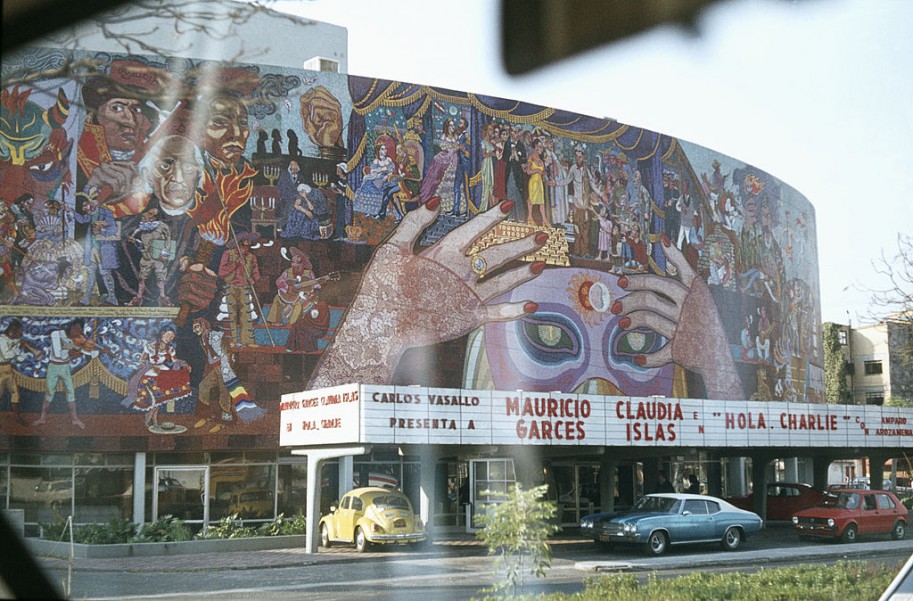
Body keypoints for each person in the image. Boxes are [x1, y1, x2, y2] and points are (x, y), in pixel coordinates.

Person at [191, 317, 265, 428]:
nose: (194, 330)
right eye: (193, 328)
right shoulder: (202, 338)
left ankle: (225, 422)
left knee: (224, 393)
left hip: (224, 367)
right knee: (203, 386)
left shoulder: (215, 336)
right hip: (215, 369)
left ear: (203, 325)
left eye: (196, 327)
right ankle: (205, 416)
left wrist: (226, 370)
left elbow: (226, 353)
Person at [121, 325, 192, 430]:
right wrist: (152, 366)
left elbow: (175, 361)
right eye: (168, 335)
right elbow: (142, 360)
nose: (169, 338)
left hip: (163, 372)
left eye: (172, 337)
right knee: (155, 398)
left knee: (159, 398)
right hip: (150, 372)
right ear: (162, 334)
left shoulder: (170, 349)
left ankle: (153, 419)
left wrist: (185, 364)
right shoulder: (150, 346)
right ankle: (150, 417)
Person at [33, 319, 99, 430]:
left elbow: (80, 350)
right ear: (70, 327)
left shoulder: (74, 339)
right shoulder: (56, 334)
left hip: (65, 367)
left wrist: (93, 353)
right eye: (76, 328)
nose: (79, 332)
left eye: (80, 330)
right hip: (53, 366)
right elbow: (60, 354)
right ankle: (42, 418)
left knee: (70, 392)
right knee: (49, 393)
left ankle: (74, 419)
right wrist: (76, 350)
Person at [217, 231, 261, 347]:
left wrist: (253, 279)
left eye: (248, 245)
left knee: (246, 314)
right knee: (231, 315)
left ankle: (246, 341)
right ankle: (232, 341)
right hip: (231, 287)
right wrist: (236, 264)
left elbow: (256, 272)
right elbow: (221, 272)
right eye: (243, 245)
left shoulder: (252, 257)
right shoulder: (228, 254)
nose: (245, 248)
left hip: (244, 287)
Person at [126, 208, 173, 307]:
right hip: (146, 256)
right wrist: (135, 242)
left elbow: (168, 240)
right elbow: (142, 245)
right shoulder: (143, 229)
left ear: (153, 217)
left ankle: (163, 297)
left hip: (159, 256)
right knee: (142, 277)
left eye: (149, 214)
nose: (145, 216)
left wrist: (165, 253)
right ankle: (138, 298)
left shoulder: (162, 227)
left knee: (160, 277)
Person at [0, 319, 42, 425]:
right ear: (13, 330)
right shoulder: (2, 339)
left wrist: (26, 351)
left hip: (8, 369)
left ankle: (17, 417)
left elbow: (18, 359)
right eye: (19, 332)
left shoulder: (15, 340)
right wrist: (17, 348)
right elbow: (6, 355)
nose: (20, 334)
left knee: (15, 393)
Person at [276, 160, 302, 232]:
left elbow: (303, 188)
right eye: (292, 169)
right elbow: (280, 188)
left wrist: (298, 197)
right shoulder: (284, 176)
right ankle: (280, 225)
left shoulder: (301, 177)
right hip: (286, 198)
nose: (294, 170)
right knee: (290, 206)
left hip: (298, 199)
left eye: (295, 169)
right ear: (289, 168)